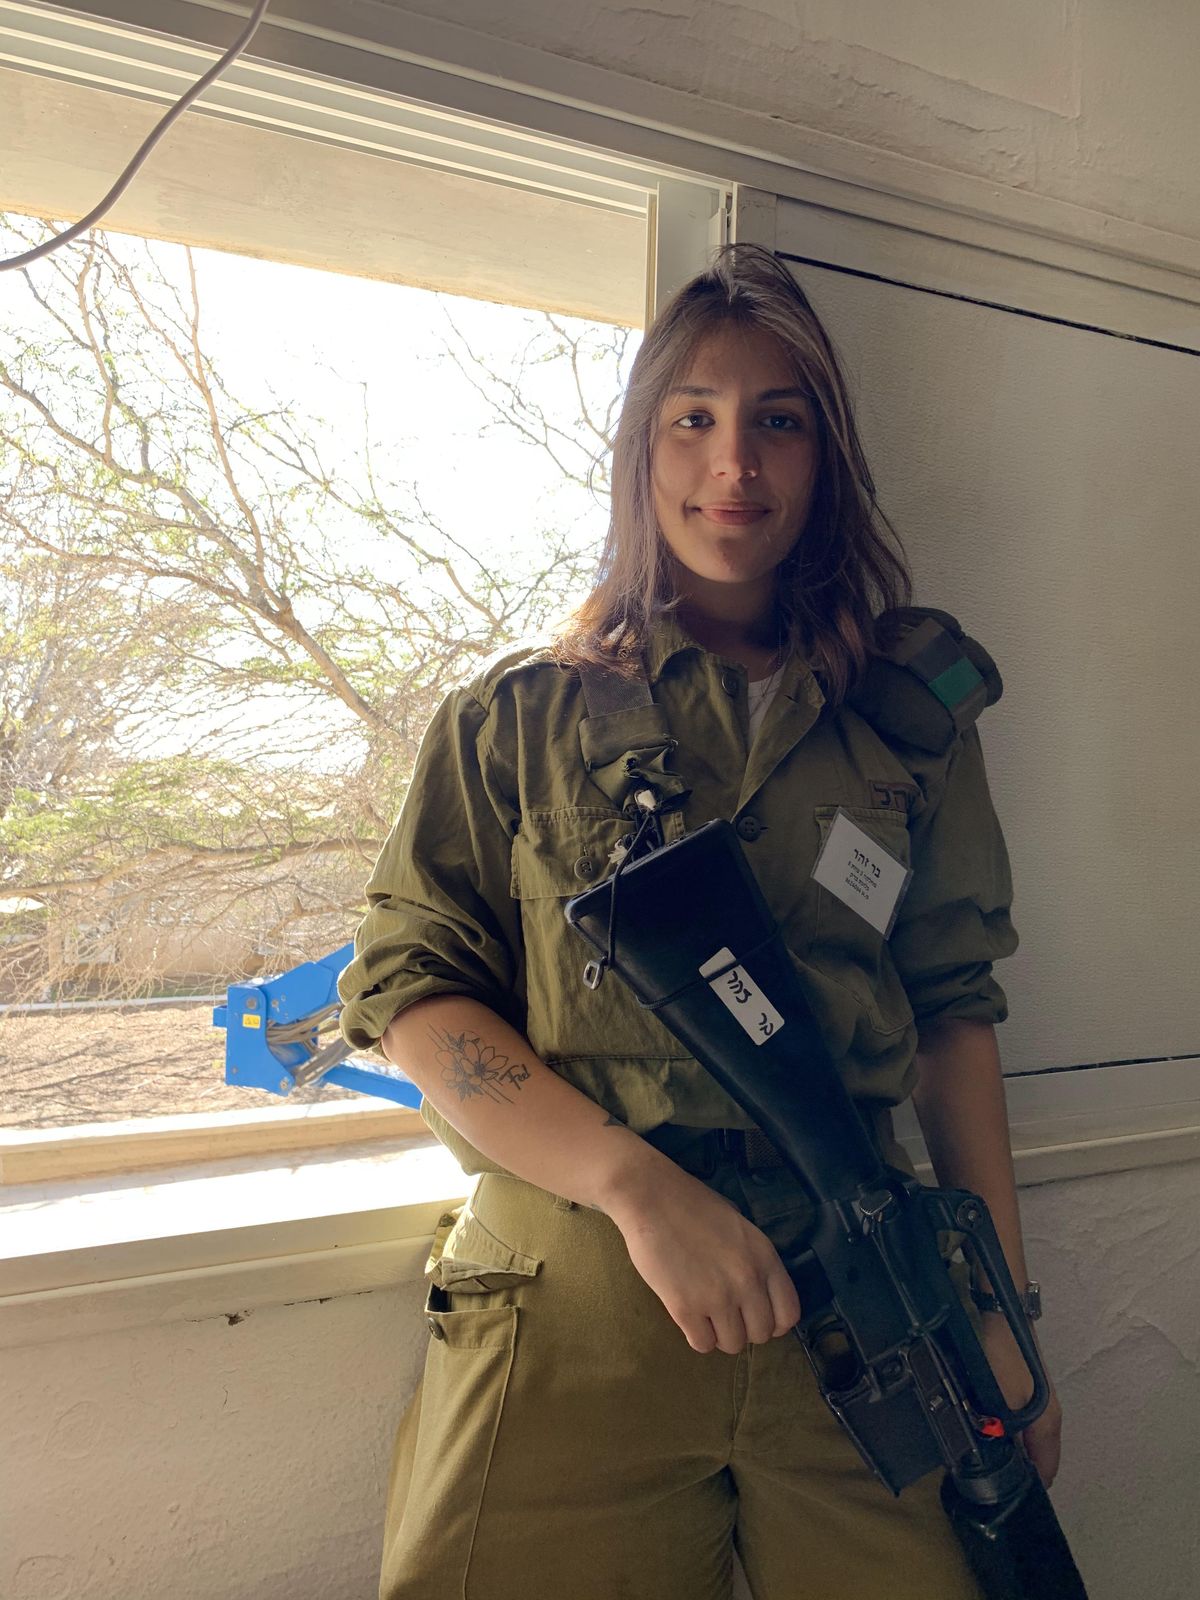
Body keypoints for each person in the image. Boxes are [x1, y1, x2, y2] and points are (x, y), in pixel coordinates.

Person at [338, 243, 1062, 1600]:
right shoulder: (519, 717)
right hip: (580, 1299)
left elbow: (953, 1017)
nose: (735, 463)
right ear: (641, 452)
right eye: (694, 418)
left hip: (866, 1303)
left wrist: (1001, 1317)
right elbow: (412, 995)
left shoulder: (908, 732)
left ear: (825, 459)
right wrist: (635, 1187)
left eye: (778, 421)